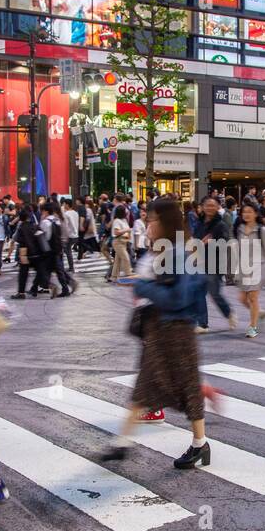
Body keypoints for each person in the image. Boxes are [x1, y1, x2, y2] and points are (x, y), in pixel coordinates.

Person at [101, 197, 211, 469]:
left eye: (151, 219)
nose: (147, 224)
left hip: (175, 329)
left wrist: (143, 287)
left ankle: (200, 445)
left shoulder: (176, 252)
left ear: (165, 221)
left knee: (187, 387)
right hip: (159, 329)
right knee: (146, 385)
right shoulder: (161, 249)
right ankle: (123, 443)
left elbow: (178, 297)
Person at [233, 200, 265, 338]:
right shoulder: (239, 229)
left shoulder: (261, 230)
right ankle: (260, 313)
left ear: (256, 214)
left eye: (249, 212)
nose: (246, 214)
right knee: (242, 299)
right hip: (244, 267)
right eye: (244, 212)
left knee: (252, 297)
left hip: (259, 266)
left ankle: (252, 327)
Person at [193, 196, 234, 331]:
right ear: (203, 207)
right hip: (201, 263)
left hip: (215, 264)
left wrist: (212, 243)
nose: (210, 208)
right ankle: (202, 324)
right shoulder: (199, 223)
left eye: (213, 205)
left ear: (217, 207)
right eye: (207, 205)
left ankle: (229, 313)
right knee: (198, 293)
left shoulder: (220, 225)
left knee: (214, 294)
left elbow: (226, 243)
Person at [109, 205, 134, 280]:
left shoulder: (124, 220)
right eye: (125, 210)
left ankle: (113, 277)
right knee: (125, 257)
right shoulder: (117, 221)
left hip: (124, 241)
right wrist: (127, 230)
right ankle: (128, 273)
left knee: (118, 260)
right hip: (118, 242)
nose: (127, 211)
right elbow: (116, 232)